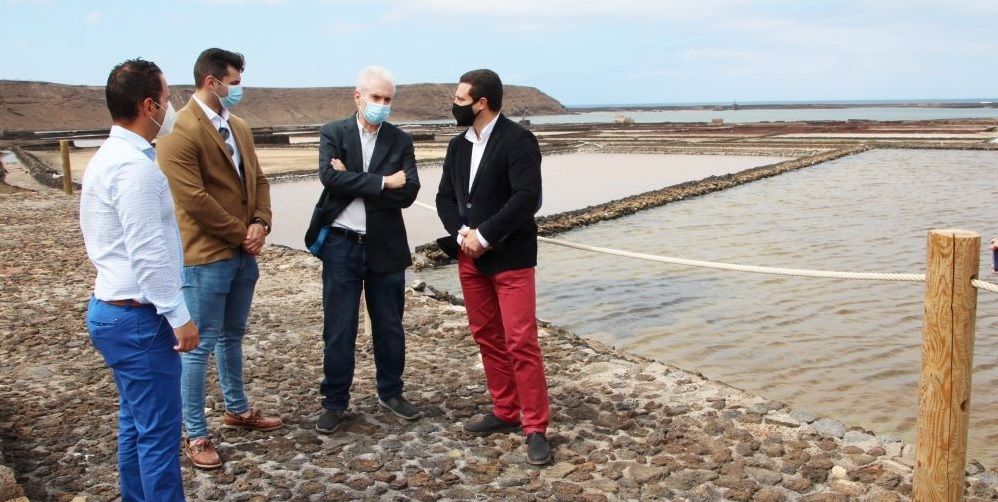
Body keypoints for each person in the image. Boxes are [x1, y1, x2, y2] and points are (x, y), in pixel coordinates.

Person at [156, 48, 282, 470]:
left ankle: (237, 408)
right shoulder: (180, 130)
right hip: (207, 255)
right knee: (198, 346)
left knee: (233, 335)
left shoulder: (239, 126)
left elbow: (258, 180)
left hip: (243, 254)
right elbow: (191, 197)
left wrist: (261, 222)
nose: (238, 87)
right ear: (213, 82)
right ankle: (195, 433)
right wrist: (240, 233)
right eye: (235, 79)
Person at [80, 58, 197, 501]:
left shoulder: (108, 158)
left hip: (112, 309)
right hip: (138, 318)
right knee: (160, 437)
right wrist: (179, 315)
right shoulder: (134, 169)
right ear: (149, 106)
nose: (172, 108)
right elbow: (148, 254)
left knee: (135, 425)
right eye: (168, 99)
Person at [434, 69, 552, 465]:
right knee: (486, 335)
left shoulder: (519, 140)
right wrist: (462, 233)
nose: (455, 106)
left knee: (521, 341)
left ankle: (535, 426)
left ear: (481, 103)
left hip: (511, 257)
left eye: (460, 100)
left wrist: (484, 236)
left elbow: (527, 198)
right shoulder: (457, 146)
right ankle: (505, 411)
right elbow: (445, 198)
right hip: (470, 258)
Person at [304, 66, 421, 433]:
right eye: (376, 98)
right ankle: (334, 401)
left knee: (389, 326)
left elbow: (410, 192)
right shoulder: (333, 132)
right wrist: (384, 181)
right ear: (358, 97)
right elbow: (329, 178)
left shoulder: (400, 140)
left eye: (388, 100)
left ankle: (391, 392)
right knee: (338, 329)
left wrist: (352, 179)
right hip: (341, 245)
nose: (382, 105)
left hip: (385, 247)